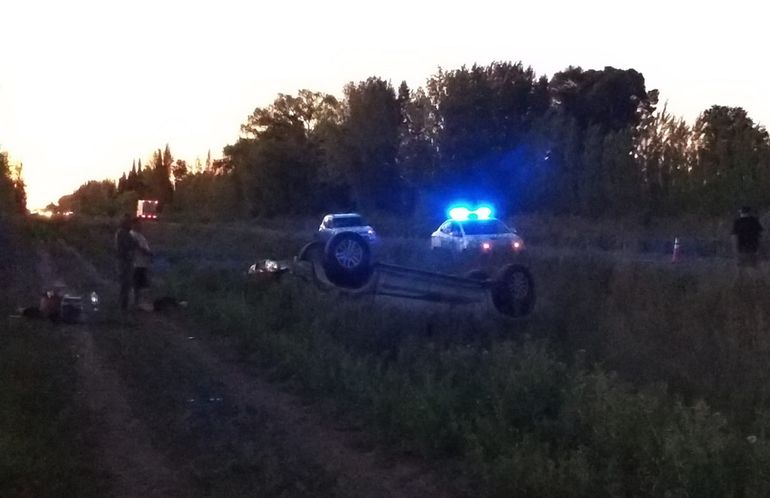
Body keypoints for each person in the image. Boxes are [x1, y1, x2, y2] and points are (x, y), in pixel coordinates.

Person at [115, 214, 139, 310]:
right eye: (129, 223)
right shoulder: (123, 233)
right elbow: (131, 245)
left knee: (126, 284)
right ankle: (123, 306)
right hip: (124, 261)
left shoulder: (124, 233)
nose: (131, 225)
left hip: (125, 261)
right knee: (125, 284)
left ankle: (123, 305)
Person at [130, 218, 153, 311]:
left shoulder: (141, 236)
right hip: (136, 264)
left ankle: (139, 303)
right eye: (139, 224)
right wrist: (147, 252)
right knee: (135, 284)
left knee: (141, 285)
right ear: (134, 224)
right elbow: (139, 248)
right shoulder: (132, 235)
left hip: (142, 264)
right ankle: (134, 304)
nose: (141, 225)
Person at [732, 206, 763, 274]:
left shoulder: (737, 222)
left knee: (741, 268)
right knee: (755, 266)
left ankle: (741, 282)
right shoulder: (754, 221)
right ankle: (759, 281)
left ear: (741, 212)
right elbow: (760, 234)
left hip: (742, 248)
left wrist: (735, 250)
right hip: (753, 247)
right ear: (749, 212)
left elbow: (734, 236)